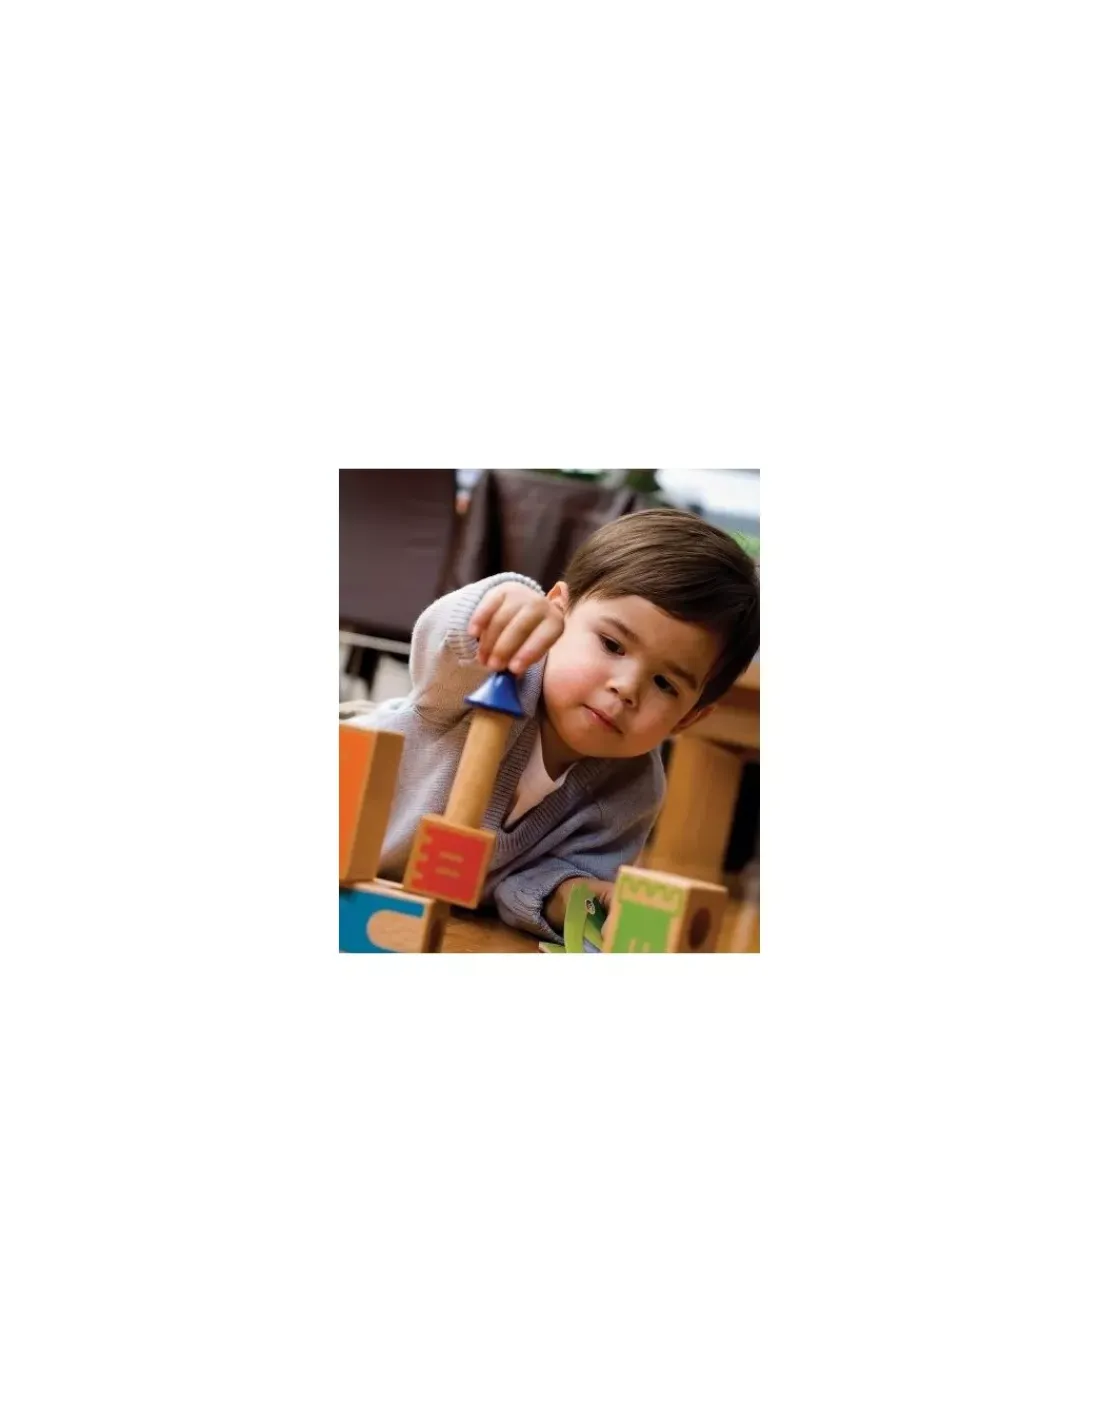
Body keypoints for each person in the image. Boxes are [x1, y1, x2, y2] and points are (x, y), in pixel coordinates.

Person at [347, 507, 759, 942]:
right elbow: (446, 645)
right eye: (612, 644)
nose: (626, 687)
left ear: (689, 718)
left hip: (400, 917)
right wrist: (506, 607)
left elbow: (531, 884)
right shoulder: (493, 673)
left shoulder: (634, 791)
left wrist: (578, 898)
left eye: (665, 684)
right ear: (558, 610)